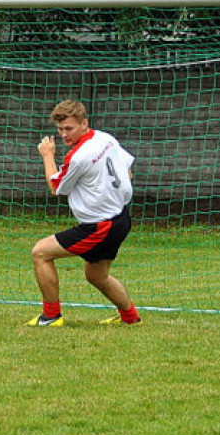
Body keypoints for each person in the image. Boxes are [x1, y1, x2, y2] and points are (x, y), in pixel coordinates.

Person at [27, 100, 141, 327]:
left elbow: (56, 187)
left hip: (99, 227)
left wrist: (47, 155)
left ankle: (51, 317)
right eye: (60, 129)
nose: (64, 135)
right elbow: (128, 172)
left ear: (84, 123)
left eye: (69, 128)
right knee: (96, 276)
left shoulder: (79, 156)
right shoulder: (106, 139)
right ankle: (130, 317)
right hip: (120, 218)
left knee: (40, 253)